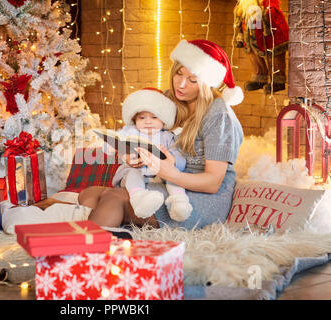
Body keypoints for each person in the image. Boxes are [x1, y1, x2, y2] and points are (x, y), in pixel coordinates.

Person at [79, 39, 244, 230]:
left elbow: (212, 182)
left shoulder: (219, 114)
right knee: (90, 193)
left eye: (192, 80)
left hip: (201, 197)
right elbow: (138, 130)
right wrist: (131, 155)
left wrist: (170, 173)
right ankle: (109, 234)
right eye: (179, 74)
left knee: (114, 197)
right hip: (167, 181)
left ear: (207, 83)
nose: (181, 85)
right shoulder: (169, 101)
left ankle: (82, 252)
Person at [107, 87, 192, 222]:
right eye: (142, 117)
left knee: (173, 175)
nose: (147, 121)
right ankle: (140, 199)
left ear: (163, 120)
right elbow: (115, 141)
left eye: (154, 117)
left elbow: (181, 160)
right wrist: (120, 152)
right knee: (133, 174)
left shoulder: (167, 137)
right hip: (136, 169)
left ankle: (179, 202)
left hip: (160, 172)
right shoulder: (130, 132)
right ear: (134, 119)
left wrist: (173, 161)